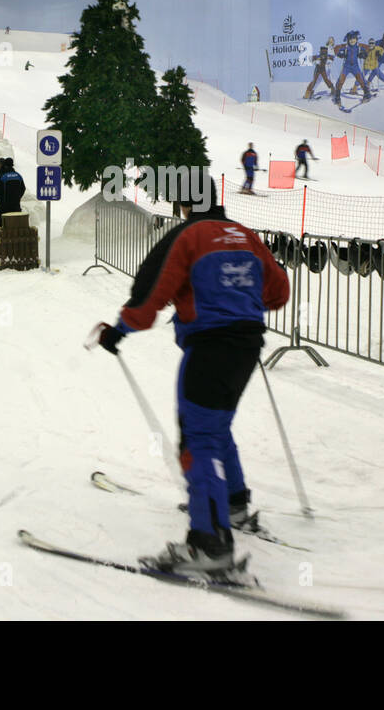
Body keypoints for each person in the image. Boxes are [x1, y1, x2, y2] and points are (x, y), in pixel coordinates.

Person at [92, 171, 290, 577]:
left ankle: (209, 543)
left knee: (197, 439)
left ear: (184, 204)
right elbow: (278, 293)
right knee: (216, 427)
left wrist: (119, 330)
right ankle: (232, 504)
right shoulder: (244, 234)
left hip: (209, 349)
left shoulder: (187, 236)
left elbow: (152, 294)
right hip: (247, 345)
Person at [0, 157, 26, 226]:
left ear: (4, 165)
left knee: (2, 232)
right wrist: (16, 198)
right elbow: (23, 189)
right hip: (16, 209)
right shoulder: (18, 176)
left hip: (3, 210)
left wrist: (1, 201)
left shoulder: (2, 177)